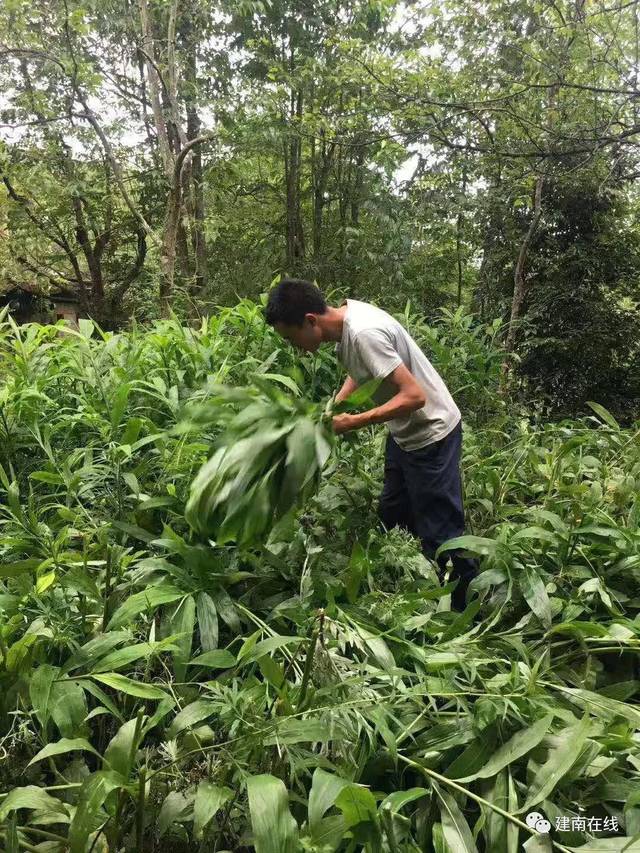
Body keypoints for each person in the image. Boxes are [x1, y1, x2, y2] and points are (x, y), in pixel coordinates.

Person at [265, 278, 477, 611]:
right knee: (392, 513)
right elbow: (367, 368)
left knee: (442, 533)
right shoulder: (347, 321)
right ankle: (411, 577)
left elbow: (415, 396)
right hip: (404, 434)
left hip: (430, 435)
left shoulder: (364, 334)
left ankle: (465, 608)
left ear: (310, 320)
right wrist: (339, 402)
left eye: (293, 339)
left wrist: (354, 421)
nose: (298, 348)